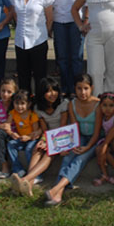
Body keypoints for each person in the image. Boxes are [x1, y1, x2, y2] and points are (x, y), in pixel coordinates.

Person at [44, 74, 102, 206]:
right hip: (79, 136)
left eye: (86, 88)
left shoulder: (97, 104)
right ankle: (58, 191)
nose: (83, 92)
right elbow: (74, 129)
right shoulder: (72, 104)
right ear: (74, 89)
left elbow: (98, 132)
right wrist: (66, 145)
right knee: (69, 155)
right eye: (79, 89)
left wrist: (87, 147)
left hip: (95, 139)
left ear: (92, 88)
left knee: (80, 159)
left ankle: (57, 188)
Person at [11, 77, 69, 196]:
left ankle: (25, 180)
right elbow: (44, 129)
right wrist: (44, 140)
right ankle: (29, 185)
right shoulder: (38, 108)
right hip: (49, 135)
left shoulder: (64, 104)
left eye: (54, 90)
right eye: (48, 91)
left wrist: (50, 142)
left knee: (49, 153)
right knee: (37, 149)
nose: (52, 94)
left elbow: (62, 127)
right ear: (42, 93)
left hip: (63, 136)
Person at [51, 0, 92, 96]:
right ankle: (65, 90)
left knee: (76, 57)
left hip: (77, 21)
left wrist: (85, 20)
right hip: (59, 20)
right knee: (62, 58)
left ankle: (76, 90)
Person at [10, 0, 54, 93]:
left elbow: (49, 18)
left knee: (40, 76)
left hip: (38, 40)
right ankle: (25, 105)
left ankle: (40, 106)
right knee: (23, 76)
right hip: (20, 41)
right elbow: (15, 16)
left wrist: (44, 32)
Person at [6, 90, 41, 177]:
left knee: (29, 148)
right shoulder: (13, 113)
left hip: (31, 139)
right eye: (17, 103)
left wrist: (28, 137)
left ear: (28, 104)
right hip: (21, 138)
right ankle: (18, 169)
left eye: (22, 103)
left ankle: (33, 172)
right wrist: (11, 133)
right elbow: (7, 125)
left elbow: (36, 132)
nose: (19, 106)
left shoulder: (32, 115)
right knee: (11, 144)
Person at [92, 92, 114, 187]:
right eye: (104, 105)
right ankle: (104, 174)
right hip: (107, 140)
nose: (107, 108)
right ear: (100, 106)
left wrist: (105, 145)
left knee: (105, 152)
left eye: (111, 105)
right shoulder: (102, 117)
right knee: (98, 149)